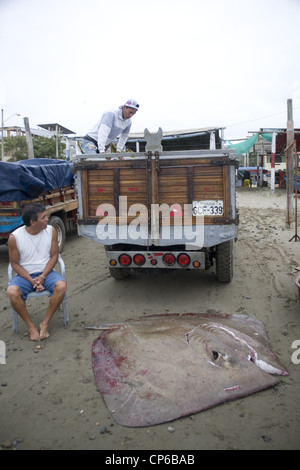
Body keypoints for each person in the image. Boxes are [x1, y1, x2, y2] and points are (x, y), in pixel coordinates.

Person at [6, 203, 67, 341]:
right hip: (25, 275)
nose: (47, 219)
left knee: (62, 286)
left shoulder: (51, 231)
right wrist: (30, 279)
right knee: (11, 292)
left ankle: (45, 322)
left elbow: (54, 256)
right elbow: (14, 263)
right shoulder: (15, 237)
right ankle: (31, 326)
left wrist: (43, 276)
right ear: (33, 222)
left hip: (47, 272)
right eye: (43, 217)